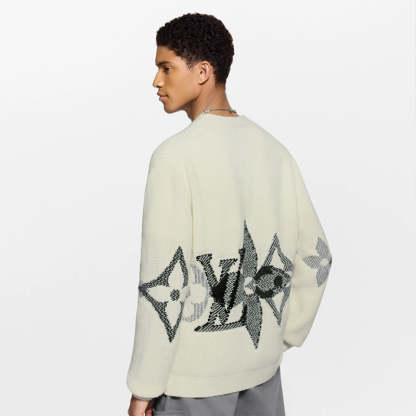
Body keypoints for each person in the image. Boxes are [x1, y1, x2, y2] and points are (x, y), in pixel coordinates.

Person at [126, 12, 333, 416]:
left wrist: (143, 388)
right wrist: (280, 334)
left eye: (166, 68)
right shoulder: (274, 152)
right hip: (262, 375)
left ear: (203, 72)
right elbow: (318, 258)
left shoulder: (174, 158)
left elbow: (164, 281)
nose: (156, 81)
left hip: (193, 384)